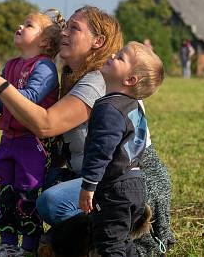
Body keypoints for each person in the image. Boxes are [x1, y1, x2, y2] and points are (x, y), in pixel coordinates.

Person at [0, 5, 175, 255]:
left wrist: (0, 85)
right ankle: (82, 239)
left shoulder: (98, 81)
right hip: (95, 175)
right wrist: (6, 169)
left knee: (50, 202)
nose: (64, 33)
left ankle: (113, 237)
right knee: (27, 181)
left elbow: (45, 124)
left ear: (98, 41)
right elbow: (54, 145)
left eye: (74, 28)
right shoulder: (70, 78)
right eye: (66, 27)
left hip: (129, 184)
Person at [0, 10, 63, 256]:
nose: (20, 25)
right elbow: (1, 100)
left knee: (27, 191)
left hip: (32, 143)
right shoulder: (11, 65)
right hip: (8, 140)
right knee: (2, 190)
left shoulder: (45, 68)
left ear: (45, 42)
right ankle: (7, 243)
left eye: (28, 25)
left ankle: (28, 246)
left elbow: (27, 98)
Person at [79, 41, 164, 256]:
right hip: (136, 184)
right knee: (123, 241)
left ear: (130, 80)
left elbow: (101, 149)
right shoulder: (133, 107)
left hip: (113, 189)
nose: (113, 54)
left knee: (110, 244)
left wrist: (89, 185)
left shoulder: (108, 108)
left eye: (121, 58)